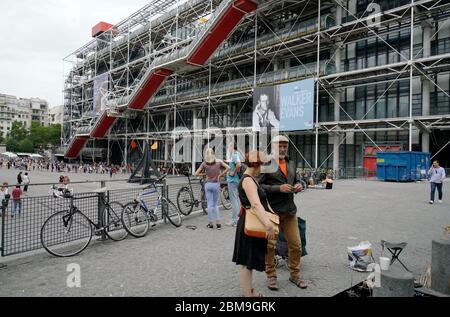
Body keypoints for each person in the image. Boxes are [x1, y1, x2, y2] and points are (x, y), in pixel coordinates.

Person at [259, 135, 307, 290]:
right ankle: (271, 276)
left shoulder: (290, 162)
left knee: (296, 245)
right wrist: (278, 188)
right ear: (272, 146)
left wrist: (300, 185)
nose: (282, 148)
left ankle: (295, 275)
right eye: (279, 146)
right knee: (270, 246)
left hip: (289, 211)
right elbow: (258, 186)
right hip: (272, 212)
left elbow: (296, 181)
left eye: (284, 146)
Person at [232, 151, 279, 297]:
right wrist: (269, 225)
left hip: (249, 222)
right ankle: (247, 296)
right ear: (256, 164)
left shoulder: (250, 178)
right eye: (262, 165)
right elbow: (256, 205)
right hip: (250, 225)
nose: (263, 168)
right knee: (247, 263)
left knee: (248, 262)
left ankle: (249, 292)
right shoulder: (248, 180)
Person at [195, 148, 230, 230]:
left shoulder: (204, 163)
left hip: (208, 184)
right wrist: (220, 175)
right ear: (214, 154)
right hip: (216, 184)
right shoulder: (219, 162)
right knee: (215, 205)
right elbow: (228, 167)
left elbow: (196, 173)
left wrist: (204, 173)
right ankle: (218, 223)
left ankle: (210, 223)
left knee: (209, 205)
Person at [226, 143, 243, 227]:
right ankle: (238, 219)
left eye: (229, 146)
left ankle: (235, 220)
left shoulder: (234, 155)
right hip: (237, 180)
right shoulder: (238, 154)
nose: (228, 148)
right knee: (237, 200)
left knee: (234, 201)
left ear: (232, 147)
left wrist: (233, 172)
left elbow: (239, 164)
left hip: (233, 180)